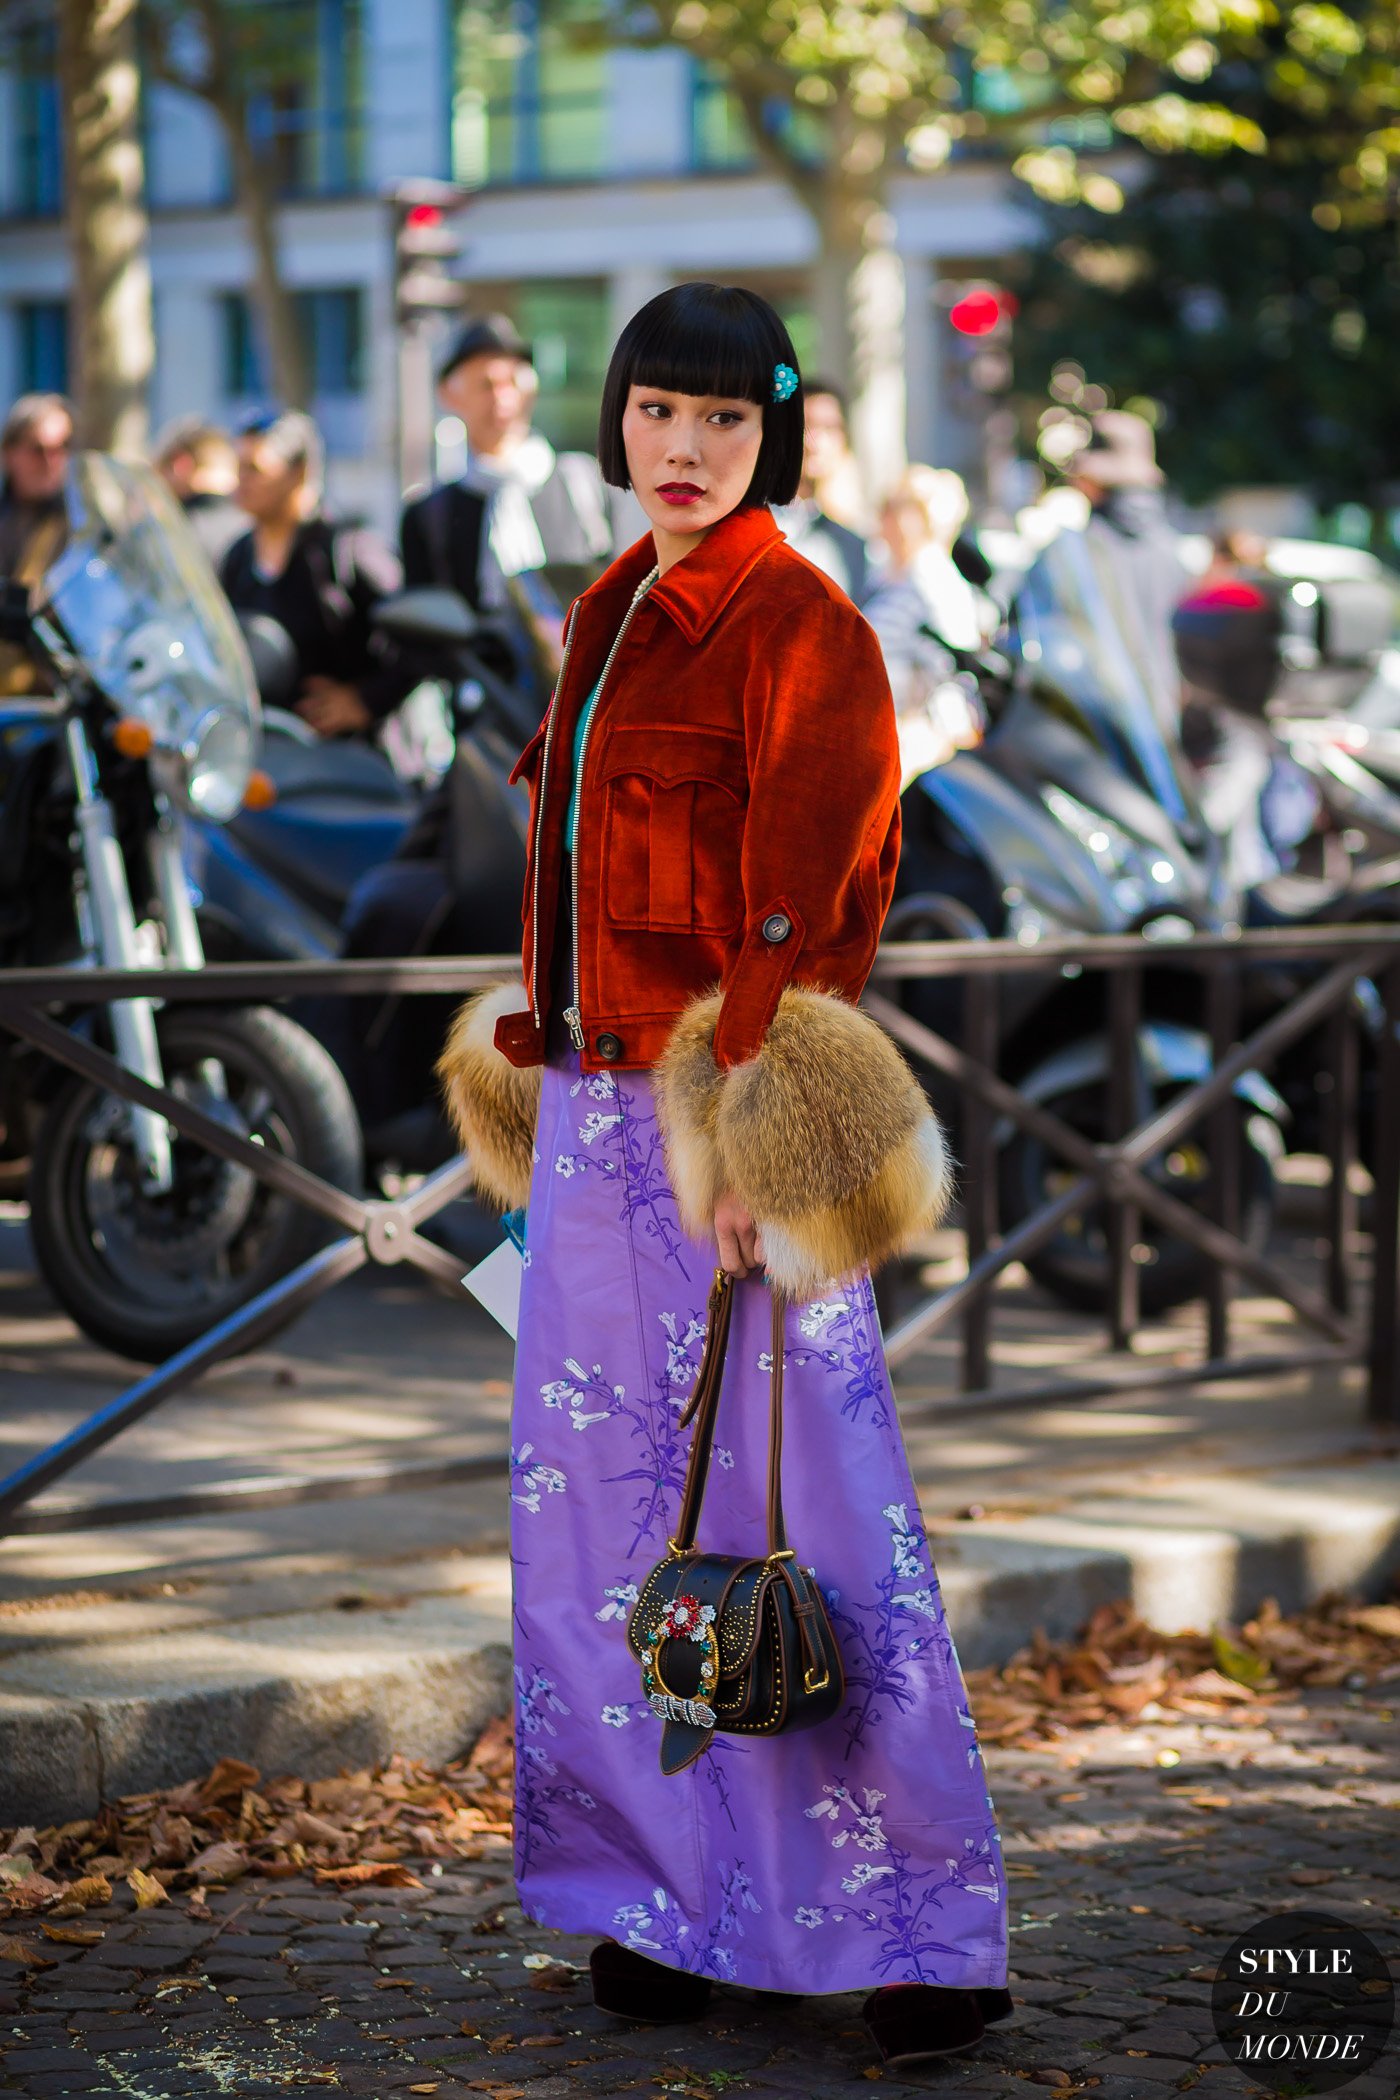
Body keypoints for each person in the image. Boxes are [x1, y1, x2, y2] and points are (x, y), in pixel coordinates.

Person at [436, 282, 1010, 2070]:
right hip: (599, 1124)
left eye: (724, 422)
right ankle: (666, 1901)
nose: (682, 450)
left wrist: (753, 1132)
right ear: (617, 425)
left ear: (778, 438)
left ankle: (923, 1925)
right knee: (603, 1529)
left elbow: (818, 904)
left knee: (812, 1508)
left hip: (724, 1124)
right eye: (656, 415)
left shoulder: (801, 621)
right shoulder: (611, 610)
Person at [219, 409, 410, 736]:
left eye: (254, 469)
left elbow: (418, 639)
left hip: (351, 757)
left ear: (299, 472)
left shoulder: (350, 550)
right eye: (237, 467)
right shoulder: (238, 555)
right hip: (270, 751)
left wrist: (365, 699)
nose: (240, 481)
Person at [1062, 408, 1189, 735]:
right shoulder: (1172, 551)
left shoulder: (1080, 552)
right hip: (1165, 722)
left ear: (1091, 482)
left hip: (1101, 726)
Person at [771, 376, 871, 602]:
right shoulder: (753, 520)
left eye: (830, 428)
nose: (815, 442)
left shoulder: (853, 545)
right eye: (807, 426)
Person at [0, 393, 73, 695]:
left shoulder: (82, 526)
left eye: (62, 449)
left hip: (57, 693)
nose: (50, 461)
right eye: (38, 449)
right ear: (9, 453)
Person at [152, 415, 245, 568]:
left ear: (180, 465)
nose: (158, 483)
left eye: (160, 471)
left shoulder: (176, 531)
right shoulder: (257, 526)